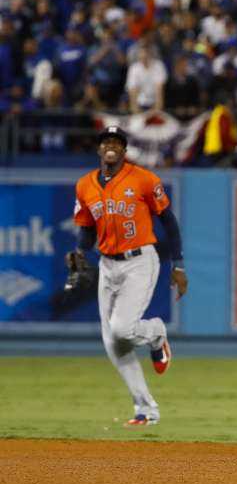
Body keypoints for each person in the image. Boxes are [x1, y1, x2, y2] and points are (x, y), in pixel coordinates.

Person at [70, 126, 188, 426]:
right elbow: (86, 228)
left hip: (140, 261)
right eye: (106, 141)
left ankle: (157, 333)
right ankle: (146, 410)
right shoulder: (84, 185)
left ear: (124, 150)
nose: (111, 146)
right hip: (107, 265)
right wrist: (81, 251)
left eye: (117, 142)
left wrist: (178, 264)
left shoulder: (144, 179)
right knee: (112, 340)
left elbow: (169, 222)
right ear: (99, 149)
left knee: (122, 329)